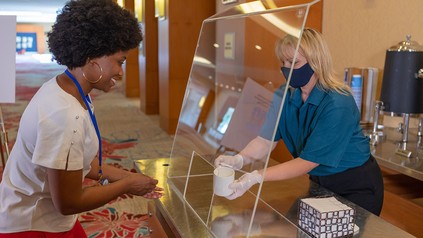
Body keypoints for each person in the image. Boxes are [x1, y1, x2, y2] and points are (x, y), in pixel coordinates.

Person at [0, 0, 162, 237]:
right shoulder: (66, 115)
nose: (120, 72)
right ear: (92, 58)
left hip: (39, 215)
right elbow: (68, 203)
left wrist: (128, 176)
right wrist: (125, 186)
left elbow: (80, 163)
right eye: (120, 61)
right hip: (32, 224)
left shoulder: (64, 88)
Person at [215, 28, 384, 216]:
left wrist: (255, 177)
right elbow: (265, 141)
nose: (286, 68)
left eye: (293, 62)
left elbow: (306, 162)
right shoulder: (284, 94)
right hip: (319, 181)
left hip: (355, 185)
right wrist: (239, 159)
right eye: (283, 62)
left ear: (316, 62)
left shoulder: (338, 103)